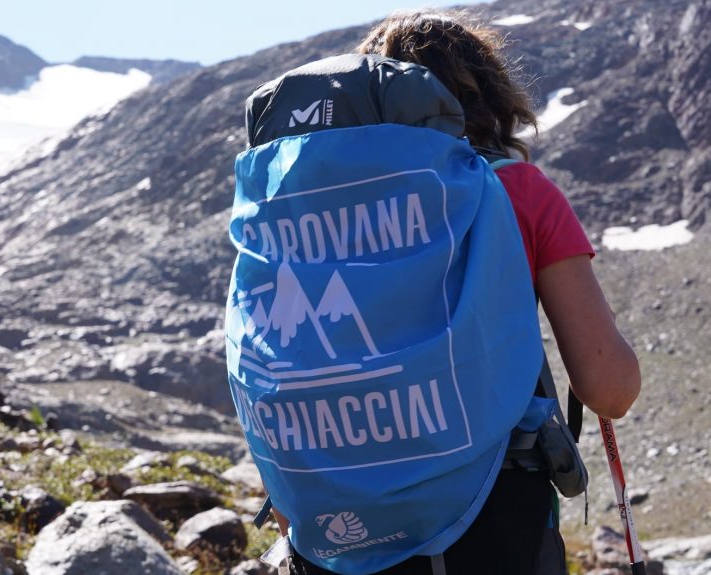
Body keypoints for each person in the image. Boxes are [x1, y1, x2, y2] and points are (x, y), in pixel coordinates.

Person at [270, 10, 642, 575]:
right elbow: (609, 390)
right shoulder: (516, 190)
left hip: (335, 524)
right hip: (490, 519)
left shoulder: (305, 214)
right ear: (489, 96)